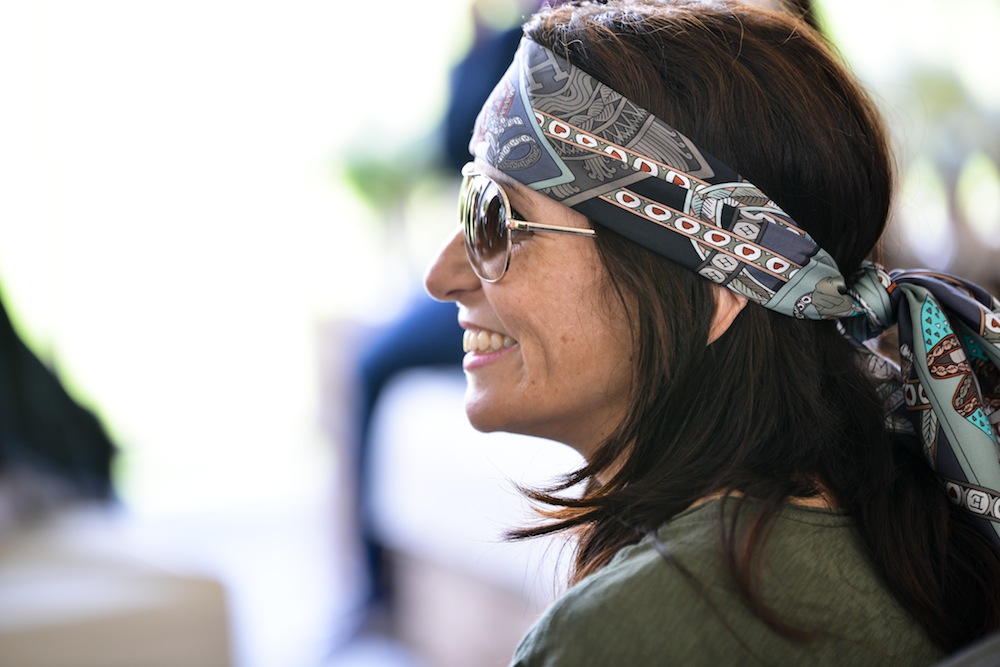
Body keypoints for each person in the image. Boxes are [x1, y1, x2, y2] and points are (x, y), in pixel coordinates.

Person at [423, 1, 1000, 665]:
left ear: (714, 290)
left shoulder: (613, 639)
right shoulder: (920, 534)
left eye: (496, 217)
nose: (441, 276)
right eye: (469, 202)